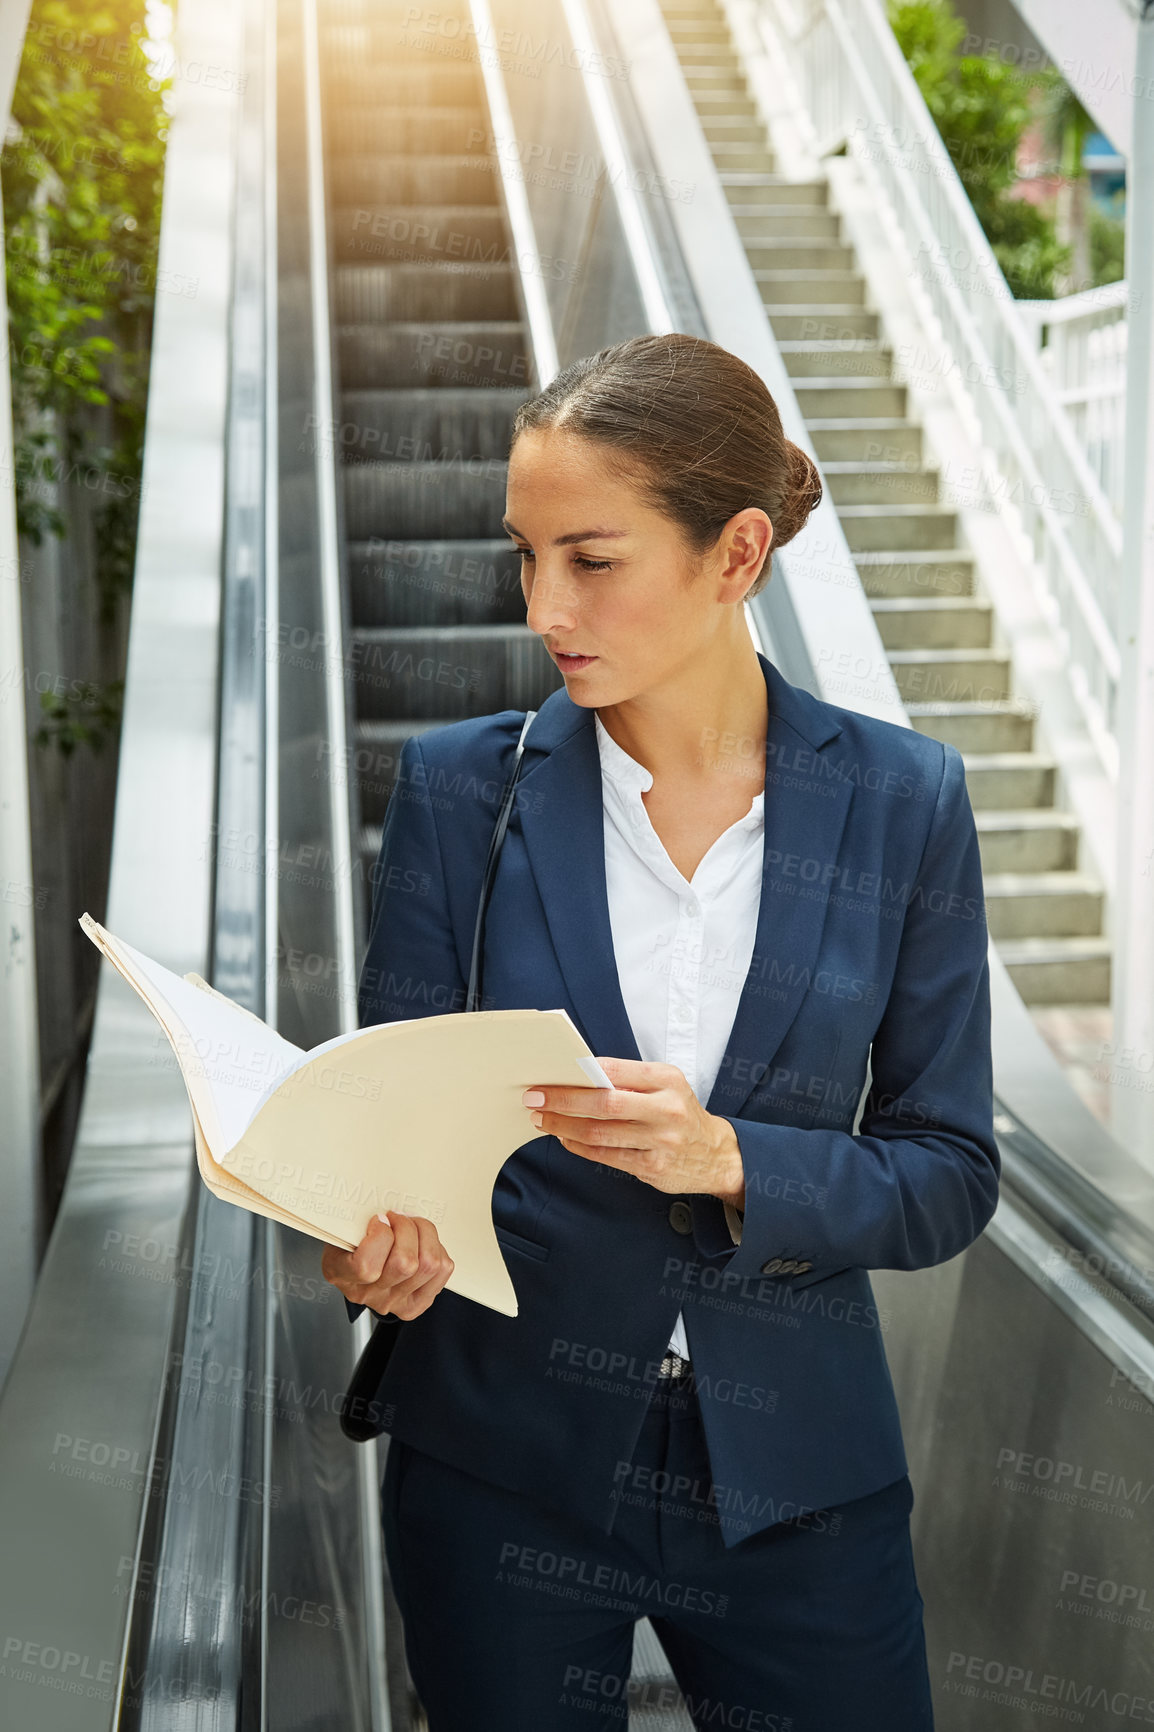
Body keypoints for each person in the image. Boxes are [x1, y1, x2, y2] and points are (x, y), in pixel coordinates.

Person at [322, 331, 998, 1730]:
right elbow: (387, 1137)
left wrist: (728, 1158)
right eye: (524, 555)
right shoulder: (462, 792)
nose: (542, 604)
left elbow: (946, 1171)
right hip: (501, 1464)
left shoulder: (901, 802)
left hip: (797, 1481)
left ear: (735, 554)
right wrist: (371, 1245)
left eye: (591, 556)